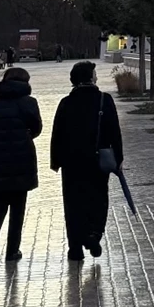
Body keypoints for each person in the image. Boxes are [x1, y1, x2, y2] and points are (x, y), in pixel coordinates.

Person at [50, 60, 123, 263]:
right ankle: (94, 234)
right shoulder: (104, 100)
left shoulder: (66, 103)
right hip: (98, 160)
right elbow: (114, 131)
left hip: (71, 162)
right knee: (98, 198)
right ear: (91, 77)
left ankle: (75, 248)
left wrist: (56, 160)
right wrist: (118, 158)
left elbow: (57, 134)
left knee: (73, 202)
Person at [0, 65, 42, 264]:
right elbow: (37, 128)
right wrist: (24, 136)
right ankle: (12, 250)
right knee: (18, 205)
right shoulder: (30, 103)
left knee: (1, 201)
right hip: (22, 157)